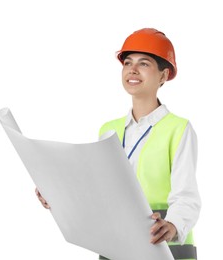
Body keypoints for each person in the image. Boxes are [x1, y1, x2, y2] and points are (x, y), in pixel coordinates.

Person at [36, 28, 201, 260]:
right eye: (127, 63)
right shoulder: (108, 130)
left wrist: (173, 224)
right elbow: (97, 192)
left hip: (163, 241)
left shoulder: (179, 128)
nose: (132, 70)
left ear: (163, 76)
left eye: (144, 63)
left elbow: (187, 195)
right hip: (115, 243)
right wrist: (57, 195)